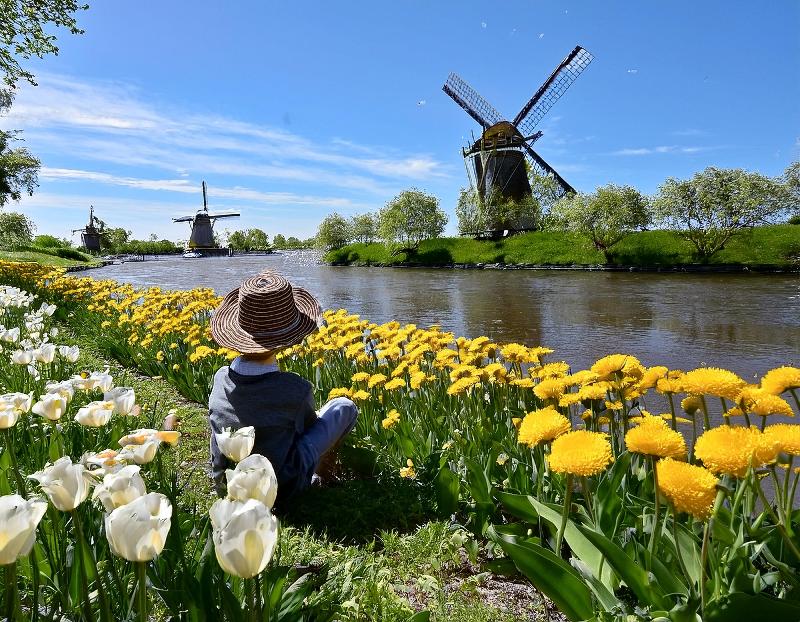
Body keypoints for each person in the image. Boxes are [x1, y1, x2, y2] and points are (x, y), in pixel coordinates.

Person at [208, 270, 358, 507]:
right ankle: (320, 474)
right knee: (344, 406)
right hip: (280, 491)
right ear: (287, 337)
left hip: (229, 485)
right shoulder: (294, 389)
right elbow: (308, 430)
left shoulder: (220, 379)